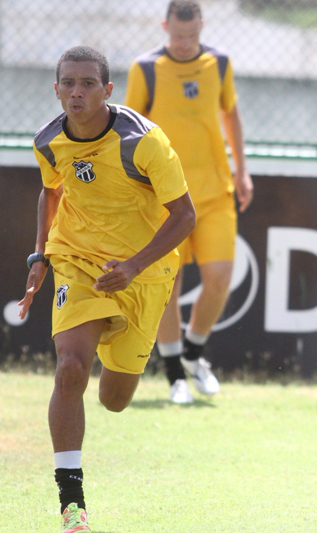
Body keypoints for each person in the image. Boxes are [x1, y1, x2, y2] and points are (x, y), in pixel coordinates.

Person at [19, 46, 195, 532]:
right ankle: (71, 504)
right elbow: (51, 190)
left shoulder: (144, 142)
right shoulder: (48, 141)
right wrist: (40, 256)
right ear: (56, 89)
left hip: (143, 273)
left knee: (114, 399)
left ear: (107, 90)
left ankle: (125, 360)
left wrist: (135, 266)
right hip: (77, 261)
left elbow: (185, 215)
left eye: (88, 84)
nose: (77, 92)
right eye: (68, 84)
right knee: (71, 369)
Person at [125, 0, 254, 404]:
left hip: (216, 192)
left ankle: (195, 354)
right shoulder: (145, 68)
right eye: (178, 36)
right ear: (165, 27)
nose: (184, 44)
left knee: (219, 280)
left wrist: (242, 171)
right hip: (164, 200)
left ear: (202, 27)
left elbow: (230, 115)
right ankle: (174, 375)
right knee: (168, 288)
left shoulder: (220, 63)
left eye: (192, 36)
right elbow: (130, 130)